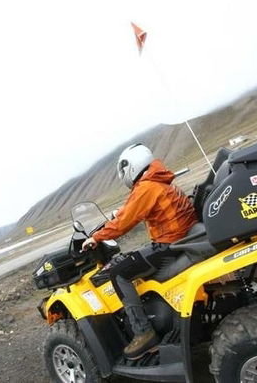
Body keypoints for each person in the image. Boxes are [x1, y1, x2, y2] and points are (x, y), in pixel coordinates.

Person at [81, 143, 197, 360]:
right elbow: (132, 209)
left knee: (119, 273)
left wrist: (95, 238)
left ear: (131, 167)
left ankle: (143, 332)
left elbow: (123, 223)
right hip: (181, 239)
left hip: (168, 245)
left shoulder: (146, 187)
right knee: (135, 257)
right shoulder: (157, 181)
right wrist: (119, 213)